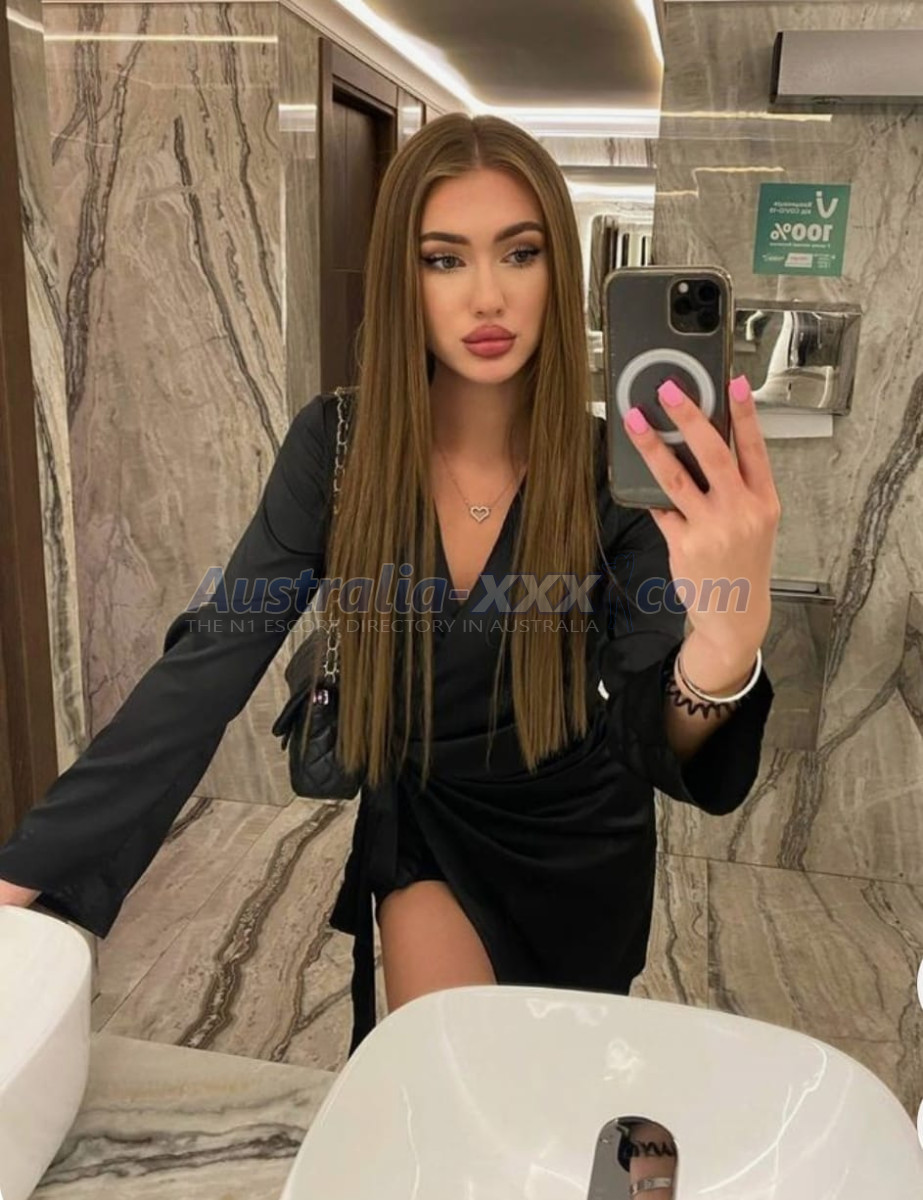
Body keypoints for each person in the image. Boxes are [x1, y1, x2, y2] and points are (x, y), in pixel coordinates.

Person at [0, 117, 778, 1089]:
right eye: (443, 259)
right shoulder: (337, 448)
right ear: (401, 280)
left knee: (549, 1101)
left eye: (520, 253)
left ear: (560, 270)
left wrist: (725, 639)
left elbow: (657, 730)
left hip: (581, 843)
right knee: (440, 1089)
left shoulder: (610, 474)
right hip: (424, 826)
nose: (486, 295)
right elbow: (208, 663)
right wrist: (24, 871)